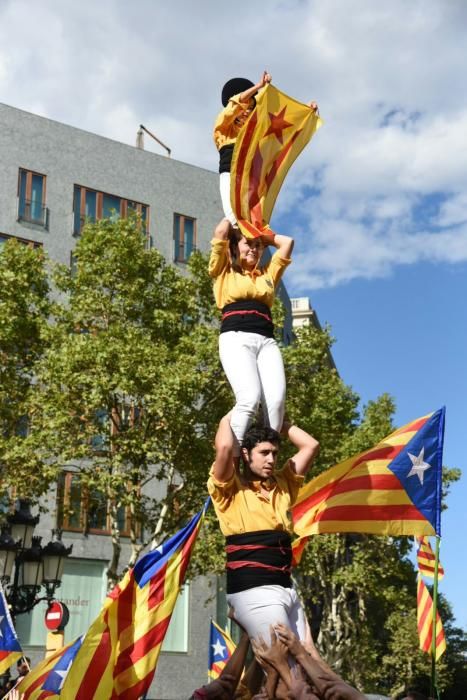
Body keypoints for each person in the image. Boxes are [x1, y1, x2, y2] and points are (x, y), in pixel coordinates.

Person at [207, 413, 319, 644]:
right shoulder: (230, 488)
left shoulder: (284, 483)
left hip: (284, 585)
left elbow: (311, 445)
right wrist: (236, 412)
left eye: (275, 453)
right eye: (264, 453)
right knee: (282, 654)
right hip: (252, 585)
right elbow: (226, 446)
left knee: (307, 656)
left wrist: (279, 422)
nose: (271, 459)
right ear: (246, 454)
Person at [208, 218, 293, 451]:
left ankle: (267, 454)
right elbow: (220, 230)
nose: (253, 249)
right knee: (249, 398)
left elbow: (287, 243)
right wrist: (238, 220)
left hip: (266, 341)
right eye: (248, 244)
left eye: (258, 246)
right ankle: (234, 459)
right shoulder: (224, 270)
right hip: (236, 337)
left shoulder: (268, 274)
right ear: (235, 247)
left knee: (276, 402)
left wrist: (261, 236)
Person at [214, 72, 272, 226]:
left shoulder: (254, 133)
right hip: (230, 174)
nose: (247, 110)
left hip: (249, 178)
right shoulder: (224, 128)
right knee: (233, 218)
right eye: (245, 106)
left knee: (254, 219)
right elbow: (234, 105)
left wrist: (307, 110)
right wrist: (258, 87)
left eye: (251, 107)